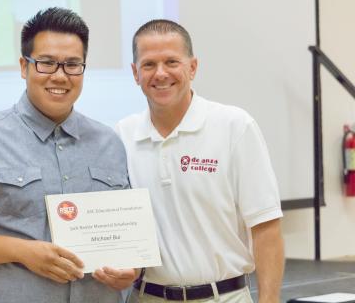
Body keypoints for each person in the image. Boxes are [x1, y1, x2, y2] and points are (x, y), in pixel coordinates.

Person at [0, 7, 137, 303]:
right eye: (47, 63)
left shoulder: (109, 143)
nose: (60, 76)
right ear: (24, 67)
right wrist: (23, 252)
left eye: (73, 64)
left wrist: (129, 268)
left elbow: (124, 239)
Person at [115, 19, 284, 303]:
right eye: (148, 65)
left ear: (192, 67)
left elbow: (266, 228)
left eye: (171, 62)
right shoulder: (121, 136)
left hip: (224, 297)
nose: (160, 73)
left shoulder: (235, 126)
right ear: (135, 73)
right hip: (145, 297)